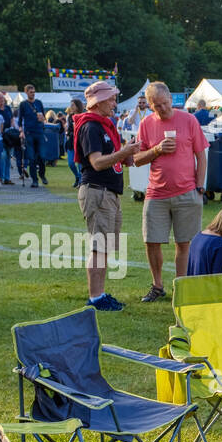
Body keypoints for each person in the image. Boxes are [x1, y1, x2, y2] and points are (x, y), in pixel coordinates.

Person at [131, 81, 209, 301]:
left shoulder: (188, 119)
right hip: (156, 192)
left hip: (187, 192)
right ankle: (157, 286)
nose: (162, 109)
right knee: (151, 240)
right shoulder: (146, 124)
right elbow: (136, 159)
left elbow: (200, 156)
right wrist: (156, 150)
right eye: (156, 106)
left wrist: (199, 186)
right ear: (149, 105)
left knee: (184, 243)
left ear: (171, 100)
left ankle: (181, 286)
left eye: (164, 104)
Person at [74, 80, 141, 311]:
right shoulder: (91, 126)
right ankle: (95, 297)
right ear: (99, 101)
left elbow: (111, 160)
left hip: (107, 192)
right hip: (97, 190)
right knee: (99, 246)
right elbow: (97, 162)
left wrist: (127, 154)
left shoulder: (103, 125)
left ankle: (100, 294)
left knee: (105, 246)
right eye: (111, 98)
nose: (114, 102)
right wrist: (123, 152)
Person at [17, 83, 48, 187]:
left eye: (34, 92)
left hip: (39, 132)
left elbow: (44, 117)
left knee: (42, 156)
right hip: (29, 133)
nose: (33, 94)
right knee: (31, 158)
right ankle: (34, 180)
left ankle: (42, 174)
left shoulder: (39, 103)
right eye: (31, 92)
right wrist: (21, 131)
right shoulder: (23, 104)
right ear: (26, 92)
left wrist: (42, 118)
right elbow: (20, 120)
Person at [62, 98, 85, 188]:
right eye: (70, 105)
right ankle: (77, 177)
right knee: (71, 163)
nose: (70, 107)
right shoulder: (70, 117)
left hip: (80, 142)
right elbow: (68, 130)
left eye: (72, 105)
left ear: (77, 106)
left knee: (80, 164)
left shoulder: (83, 115)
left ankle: (81, 181)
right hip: (71, 141)